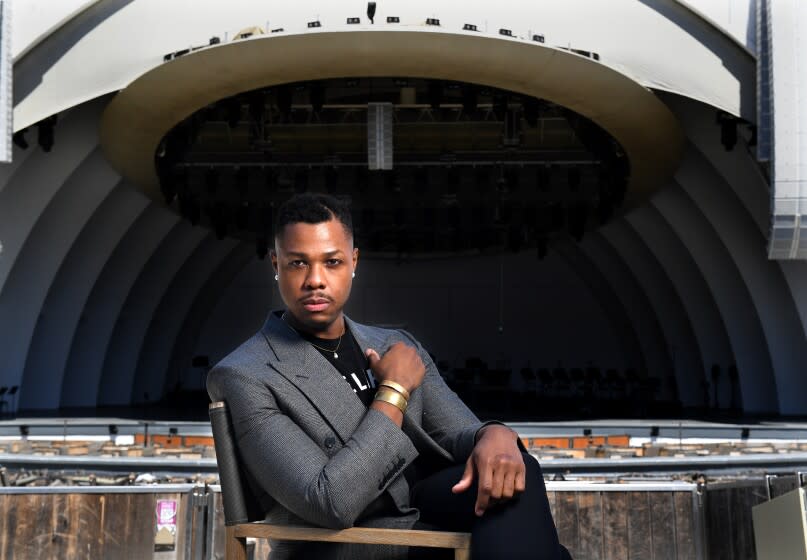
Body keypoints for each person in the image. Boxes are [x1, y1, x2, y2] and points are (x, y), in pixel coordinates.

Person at [207, 193, 570, 560]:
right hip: (348, 545)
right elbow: (330, 502)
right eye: (298, 263)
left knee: (515, 471)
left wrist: (494, 434)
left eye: (332, 262)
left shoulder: (395, 344)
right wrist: (394, 390)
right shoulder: (245, 374)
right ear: (276, 264)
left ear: (354, 262)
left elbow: (457, 432)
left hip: (418, 515)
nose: (315, 280)